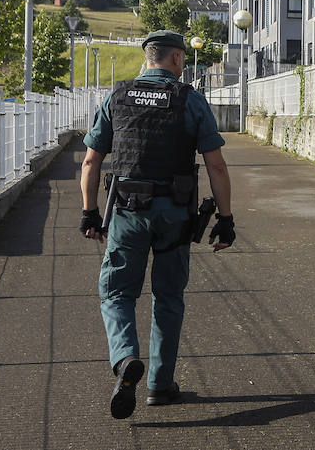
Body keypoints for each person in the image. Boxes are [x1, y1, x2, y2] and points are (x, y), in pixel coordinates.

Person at [79, 30, 236, 419]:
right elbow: (216, 164)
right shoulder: (191, 100)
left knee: (117, 293)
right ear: (178, 59)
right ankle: (160, 386)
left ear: (148, 58)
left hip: (128, 213)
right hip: (175, 215)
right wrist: (226, 219)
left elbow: (91, 161)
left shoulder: (117, 97)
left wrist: (89, 212)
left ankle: (126, 358)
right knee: (168, 298)